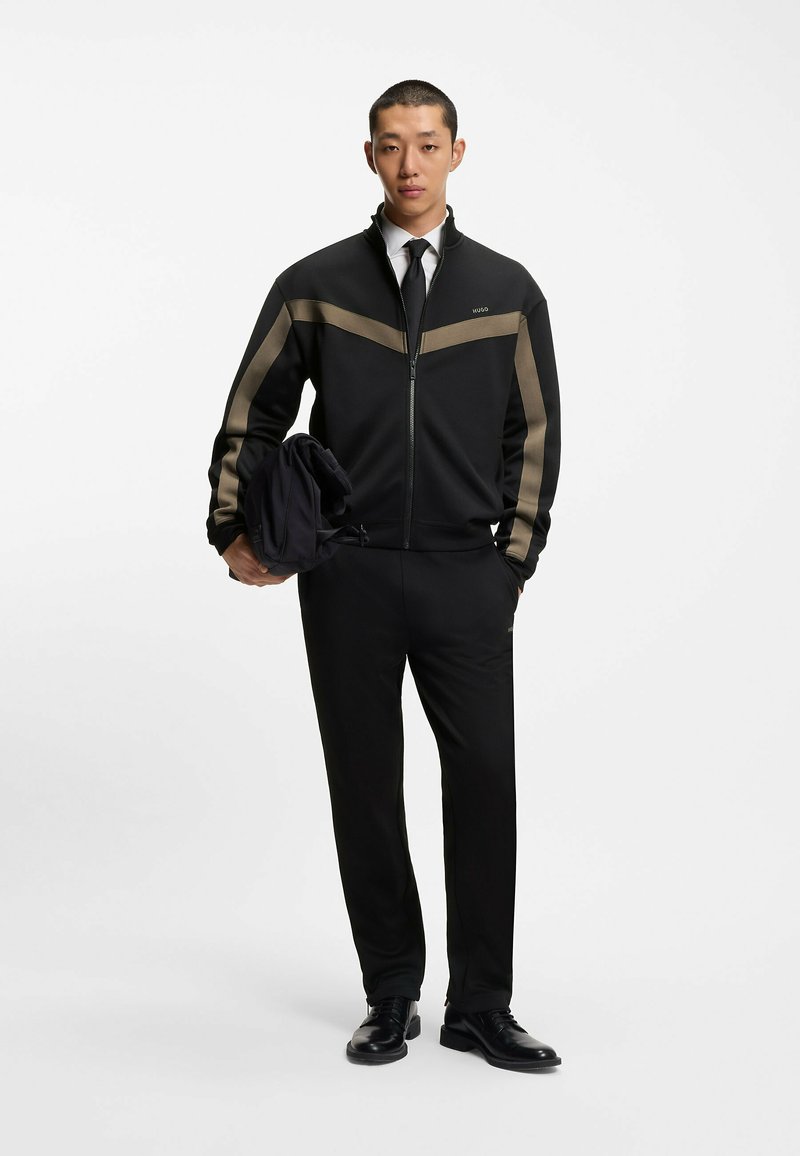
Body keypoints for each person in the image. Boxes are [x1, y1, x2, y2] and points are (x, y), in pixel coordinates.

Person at [206, 80, 562, 1071]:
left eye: (427, 143)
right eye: (391, 145)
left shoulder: (507, 290)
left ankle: (480, 1005)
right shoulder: (313, 284)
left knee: (483, 782)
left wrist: (509, 564)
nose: (410, 163)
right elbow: (252, 412)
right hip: (347, 572)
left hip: (463, 574)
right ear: (370, 156)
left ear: (456, 153)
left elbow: (533, 433)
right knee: (365, 783)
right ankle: (390, 993)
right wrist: (234, 527)